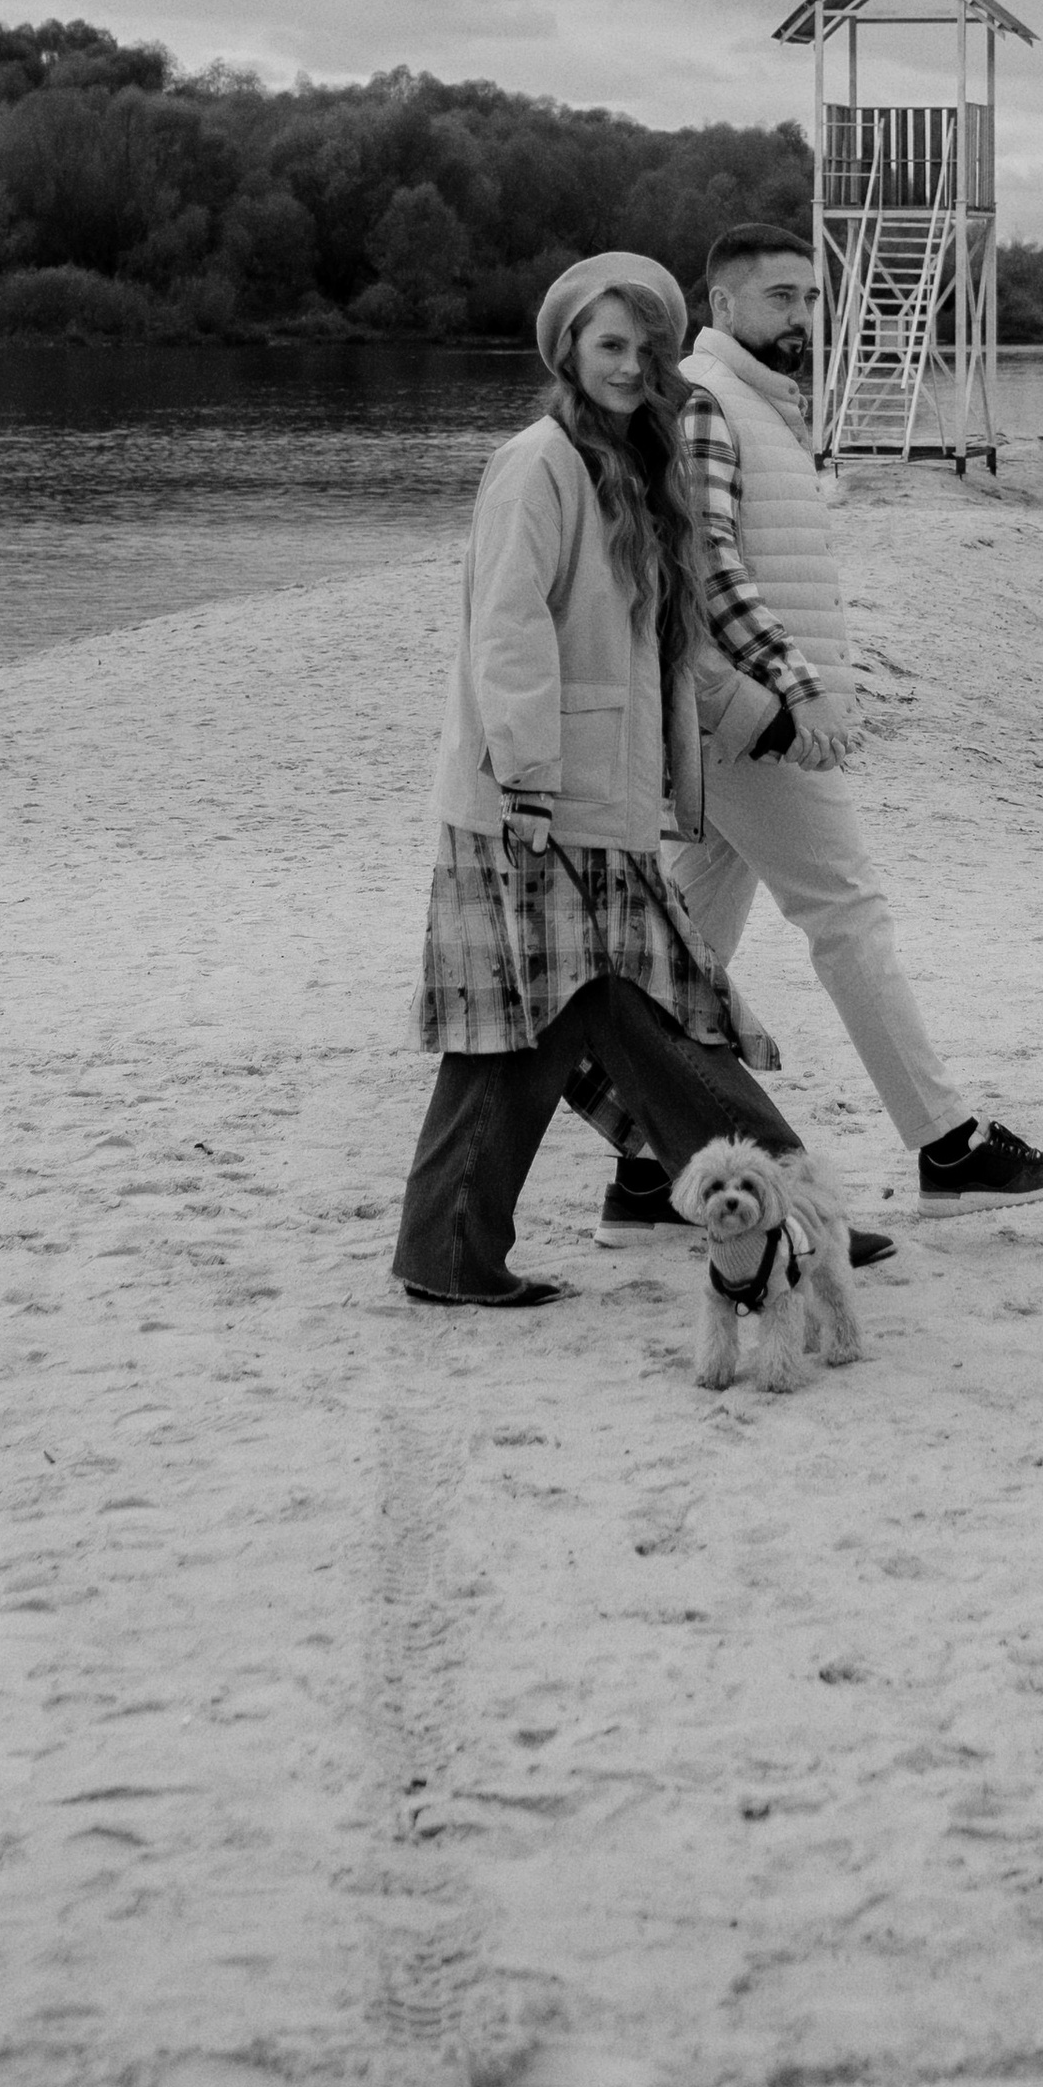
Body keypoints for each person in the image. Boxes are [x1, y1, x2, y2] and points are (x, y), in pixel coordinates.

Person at [390, 250, 890, 1308]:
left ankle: (779, 1200)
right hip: (532, 802)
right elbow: (509, 629)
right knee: (549, 1028)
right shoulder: (539, 463)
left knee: (617, 1016)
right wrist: (526, 777)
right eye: (608, 345)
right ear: (567, 348)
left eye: (646, 348)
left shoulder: (625, 458)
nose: (629, 364)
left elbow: (658, 638)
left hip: (593, 798)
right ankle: (787, 1199)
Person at [593, 221, 1043, 1241]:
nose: (802, 317)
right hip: (746, 717)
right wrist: (792, 686)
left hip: (735, 714)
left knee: (687, 949)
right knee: (846, 913)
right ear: (720, 305)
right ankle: (947, 1144)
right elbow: (708, 565)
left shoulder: (759, 406)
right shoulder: (705, 404)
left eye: (810, 298)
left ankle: (647, 1168)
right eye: (779, 298)